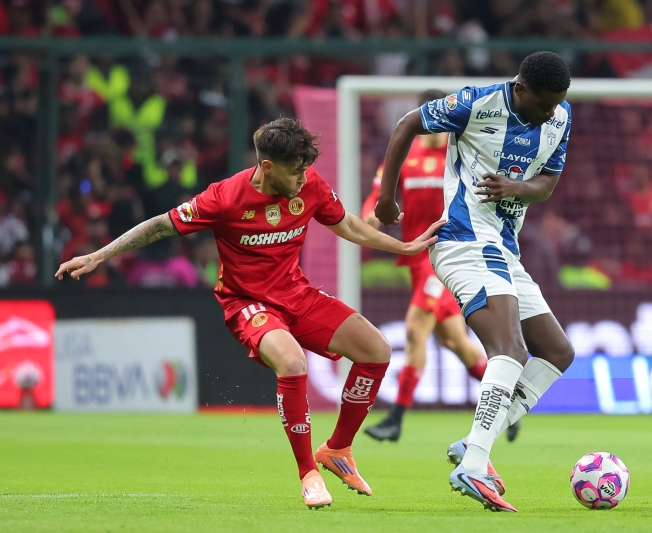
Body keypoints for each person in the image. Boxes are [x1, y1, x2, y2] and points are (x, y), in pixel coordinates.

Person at [56, 118, 441, 510]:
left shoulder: (309, 183)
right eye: (295, 171)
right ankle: (308, 474)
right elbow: (160, 227)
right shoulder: (224, 198)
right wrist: (98, 256)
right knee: (292, 362)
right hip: (247, 302)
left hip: (297, 294)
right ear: (268, 167)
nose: (303, 179)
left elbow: (351, 227)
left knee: (377, 349)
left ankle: (338, 448)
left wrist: (404, 247)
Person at [374, 52, 576, 512]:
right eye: (543, 104)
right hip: (463, 241)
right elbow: (407, 124)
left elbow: (547, 182)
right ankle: (474, 465)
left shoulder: (560, 116)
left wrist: (515, 187)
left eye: (556, 103)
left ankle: (473, 445)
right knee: (509, 351)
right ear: (520, 89)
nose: (551, 112)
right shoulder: (476, 104)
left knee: (558, 352)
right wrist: (386, 198)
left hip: (504, 248)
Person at [362, 89, 508, 443]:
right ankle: (506, 404)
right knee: (456, 341)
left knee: (415, 330)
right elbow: (379, 193)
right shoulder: (405, 155)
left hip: (448, 253)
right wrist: (370, 216)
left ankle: (395, 419)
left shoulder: (460, 154)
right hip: (417, 259)